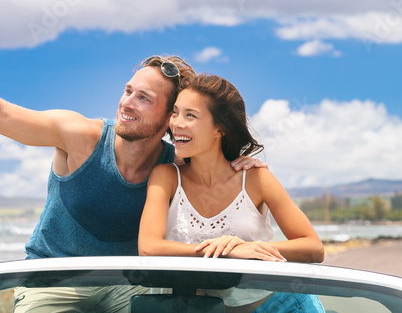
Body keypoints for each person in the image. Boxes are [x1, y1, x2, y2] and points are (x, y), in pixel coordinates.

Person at [0, 39, 264, 312]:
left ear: (171, 116)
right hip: (50, 281)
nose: (127, 103)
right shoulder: (80, 136)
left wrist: (243, 163)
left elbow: (223, 177)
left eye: (144, 98)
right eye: (128, 91)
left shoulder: (176, 169)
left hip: (128, 285)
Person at [139, 74, 325, 312]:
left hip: (270, 305)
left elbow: (313, 248)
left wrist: (251, 248)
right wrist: (230, 251)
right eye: (175, 112)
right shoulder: (166, 176)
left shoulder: (257, 178)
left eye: (191, 115)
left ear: (220, 128)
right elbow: (149, 247)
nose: (176, 123)